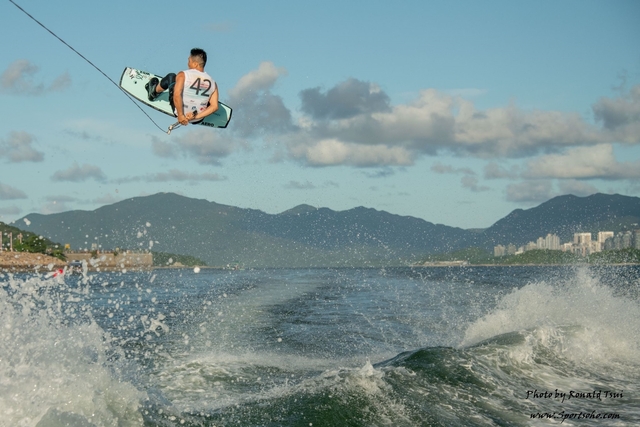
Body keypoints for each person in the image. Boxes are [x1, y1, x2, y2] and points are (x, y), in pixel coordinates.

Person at [146, 48, 219, 126]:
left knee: (171, 77)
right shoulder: (213, 83)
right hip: (197, 119)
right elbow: (215, 106)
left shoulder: (183, 75)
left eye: (189, 61)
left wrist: (181, 116)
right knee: (210, 98)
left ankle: (153, 92)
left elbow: (177, 95)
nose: (188, 64)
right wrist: (195, 117)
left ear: (195, 64)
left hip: (181, 114)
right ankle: (200, 109)